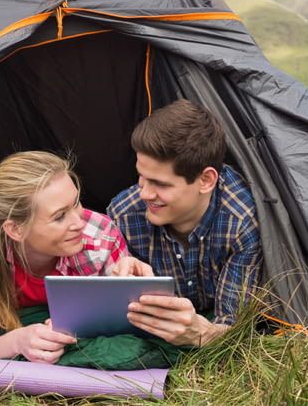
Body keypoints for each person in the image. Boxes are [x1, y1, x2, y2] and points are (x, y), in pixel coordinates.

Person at [0, 151, 151, 362]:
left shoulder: (102, 236)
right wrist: (18, 341)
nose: (79, 223)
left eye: (76, 203)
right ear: (16, 230)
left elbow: (125, 322)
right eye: (59, 216)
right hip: (14, 324)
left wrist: (131, 286)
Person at [108, 99, 262, 347]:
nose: (144, 193)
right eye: (141, 177)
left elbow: (234, 327)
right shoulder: (124, 214)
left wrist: (204, 335)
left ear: (206, 180)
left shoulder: (239, 222)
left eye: (160, 184)